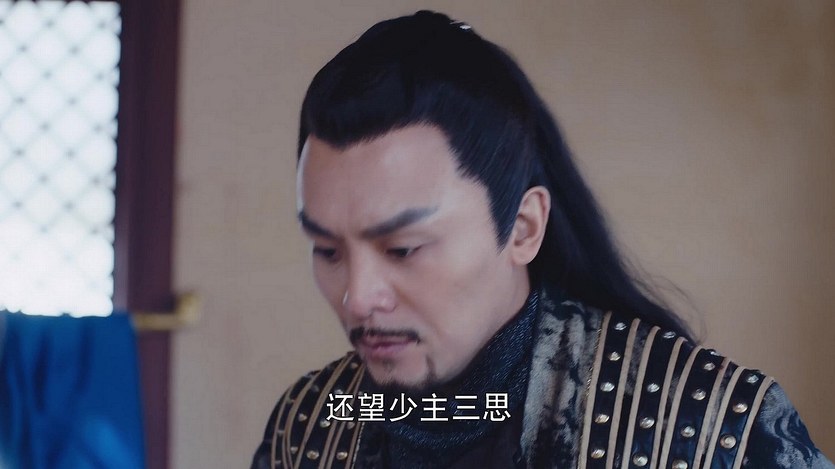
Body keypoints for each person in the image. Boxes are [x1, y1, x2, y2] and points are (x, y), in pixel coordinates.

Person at [251, 11, 833, 469]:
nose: (357, 297)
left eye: (402, 249)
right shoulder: (312, 424)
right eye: (327, 251)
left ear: (524, 227)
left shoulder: (707, 427)